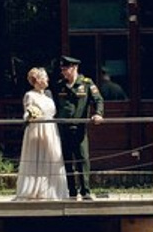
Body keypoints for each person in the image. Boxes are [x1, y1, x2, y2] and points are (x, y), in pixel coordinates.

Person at [51, 55, 104, 199]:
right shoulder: (59, 85)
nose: (63, 72)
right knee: (67, 160)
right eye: (62, 69)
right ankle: (72, 191)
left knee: (82, 158)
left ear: (74, 68)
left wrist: (98, 114)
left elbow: (98, 100)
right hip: (63, 128)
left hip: (79, 127)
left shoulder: (86, 83)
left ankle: (85, 191)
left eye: (66, 69)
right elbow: (53, 104)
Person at [12, 66, 69, 200]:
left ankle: (52, 189)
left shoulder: (48, 95)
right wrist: (30, 115)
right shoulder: (30, 95)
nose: (47, 79)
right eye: (44, 77)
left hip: (50, 129)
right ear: (37, 80)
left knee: (53, 156)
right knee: (37, 158)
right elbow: (26, 112)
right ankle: (34, 190)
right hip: (37, 130)